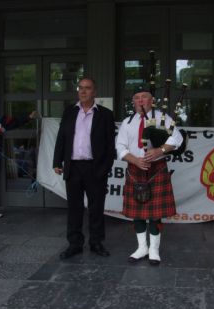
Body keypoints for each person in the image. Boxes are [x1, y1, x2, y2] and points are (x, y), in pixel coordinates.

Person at [116, 85, 183, 265]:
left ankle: (154, 249)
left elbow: (177, 139)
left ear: (151, 100)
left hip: (156, 167)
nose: (140, 100)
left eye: (144, 97)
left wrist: (159, 150)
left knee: (155, 213)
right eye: (137, 97)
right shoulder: (127, 123)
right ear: (133, 102)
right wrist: (135, 160)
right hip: (135, 168)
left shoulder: (162, 118)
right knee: (137, 213)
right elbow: (120, 147)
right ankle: (141, 248)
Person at [53, 78, 115, 259]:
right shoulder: (69, 112)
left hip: (95, 168)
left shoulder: (105, 114)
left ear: (94, 92)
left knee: (96, 208)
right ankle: (75, 244)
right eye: (80, 88)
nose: (83, 91)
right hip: (73, 167)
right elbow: (61, 138)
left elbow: (110, 146)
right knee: (74, 208)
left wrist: (104, 168)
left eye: (87, 88)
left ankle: (96, 242)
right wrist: (57, 161)